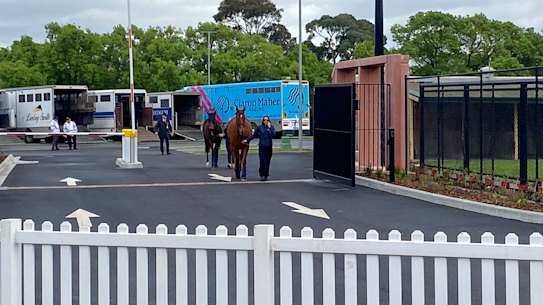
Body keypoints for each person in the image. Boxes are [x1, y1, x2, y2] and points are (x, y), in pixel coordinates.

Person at [243, 115, 275, 181]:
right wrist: (247, 140)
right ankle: (262, 174)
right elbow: (254, 136)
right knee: (262, 161)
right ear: (262, 121)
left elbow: (273, 134)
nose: (266, 121)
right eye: (264, 120)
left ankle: (266, 175)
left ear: (269, 121)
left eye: (267, 120)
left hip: (269, 147)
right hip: (262, 147)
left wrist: (270, 128)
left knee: (267, 161)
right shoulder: (260, 128)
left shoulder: (271, 127)